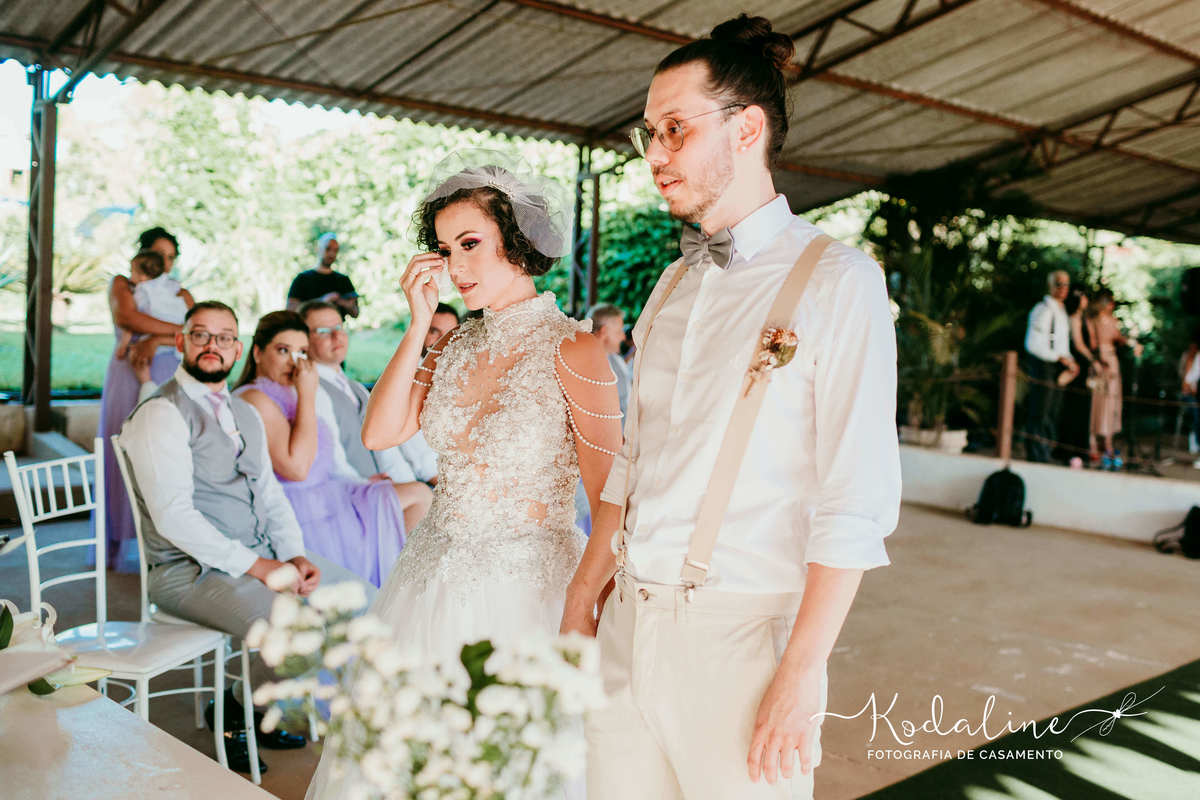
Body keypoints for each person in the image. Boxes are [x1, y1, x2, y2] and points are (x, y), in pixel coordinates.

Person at [559, 16, 901, 800]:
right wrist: (583, 594)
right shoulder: (671, 284)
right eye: (649, 133)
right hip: (627, 624)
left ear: (746, 129)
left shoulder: (838, 281)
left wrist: (802, 671)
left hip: (741, 639)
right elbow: (633, 464)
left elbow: (855, 500)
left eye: (675, 129)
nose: (654, 154)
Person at [306, 152, 622, 798]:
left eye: (470, 244)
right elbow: (379, 432)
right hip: (428, 582)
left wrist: (581, 604)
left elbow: (613, 500)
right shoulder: (452, 344)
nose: (454, 268)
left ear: (518, 239)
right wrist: (420, 322)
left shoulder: (575, 349)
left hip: (530, 596)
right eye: (445, 249)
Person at [118, 301, 374, 772]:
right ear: (181, 342)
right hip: (186, 573)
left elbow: (270, 495)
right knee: (298, 631)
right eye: (201, 335)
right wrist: (259, 567)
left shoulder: (245, 411)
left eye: (223, 337)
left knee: (363, 601)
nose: (212, 346)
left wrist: (294, 554)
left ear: (237, 349)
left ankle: (247, 700)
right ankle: (242, 710)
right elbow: (173, 517)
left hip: (260, 555)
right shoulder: (160, 415)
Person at [233, 311, 412, 587]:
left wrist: (361, 482)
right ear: (257, 353)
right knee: (412, 499)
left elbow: (325, 463)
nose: (294, 362)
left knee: (415, 495)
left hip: (329, 494)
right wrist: (307, 394)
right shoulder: (254, 398)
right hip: (301, 509)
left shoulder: (291, 394)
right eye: (283, 351)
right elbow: (297, 469)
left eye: (301, 352)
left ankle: (407, 592)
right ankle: (401, 592)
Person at [97, 226, 194, 571]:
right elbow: (128, 317)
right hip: (129, 371)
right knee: (120, 448)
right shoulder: (123, 284)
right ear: (143, 254)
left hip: (169, 372)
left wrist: (155, 339)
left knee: (165, 453)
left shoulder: (180, 292)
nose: (165, 264)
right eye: (159, 255)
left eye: (171, 257)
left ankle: (170, 545)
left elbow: (196, 332)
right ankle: (113, 543)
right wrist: (175, 332)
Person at [297, 299, 438, 502]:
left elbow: (388, 450)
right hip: (350, 494)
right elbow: (330, 458)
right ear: (304, 340)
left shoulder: (357, 388)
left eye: (339, 327)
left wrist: (406, 483)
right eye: (323, 331)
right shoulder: (312, 390)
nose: (336, 336)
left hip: (387, 488)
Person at [1022, 270, 1075, 463]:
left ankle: (1046, 451)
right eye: (1059, 284)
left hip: (1057, 367)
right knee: (1040, 411)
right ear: (1050, 285)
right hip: (1044, 366)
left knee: (1052, 411)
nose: (1063, 288)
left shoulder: (1061, 310)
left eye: (1066, 284)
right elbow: (1033, 344)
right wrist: (1058, 357)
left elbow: (1061, 342)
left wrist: (1069, 360)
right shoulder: (1042, 310)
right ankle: (1036, 452)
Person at [1086, 289, 1142, 469]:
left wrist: (1131, 340)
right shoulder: (1096, 320)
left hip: (1109, 360)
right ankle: (1097, 442)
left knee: (1109, 402)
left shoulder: (1109, 320)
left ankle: (1104, 442)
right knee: (1100, 401)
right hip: (1103, 362)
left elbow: (1119, 339)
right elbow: (1094, 343)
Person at [286, 233, 360, 318]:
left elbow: (355, 313)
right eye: (328, 249)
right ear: (318, 249)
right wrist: (322, 301)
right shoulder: (302, 279)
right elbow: (290, 311)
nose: (332, 254)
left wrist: (342, 302)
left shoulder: (343, 280)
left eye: (335, 250)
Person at [588, 303, 632, 417]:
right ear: (604, 331)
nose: (623, 337)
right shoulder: (586, 367)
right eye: (619, 331)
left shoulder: (617, 360)